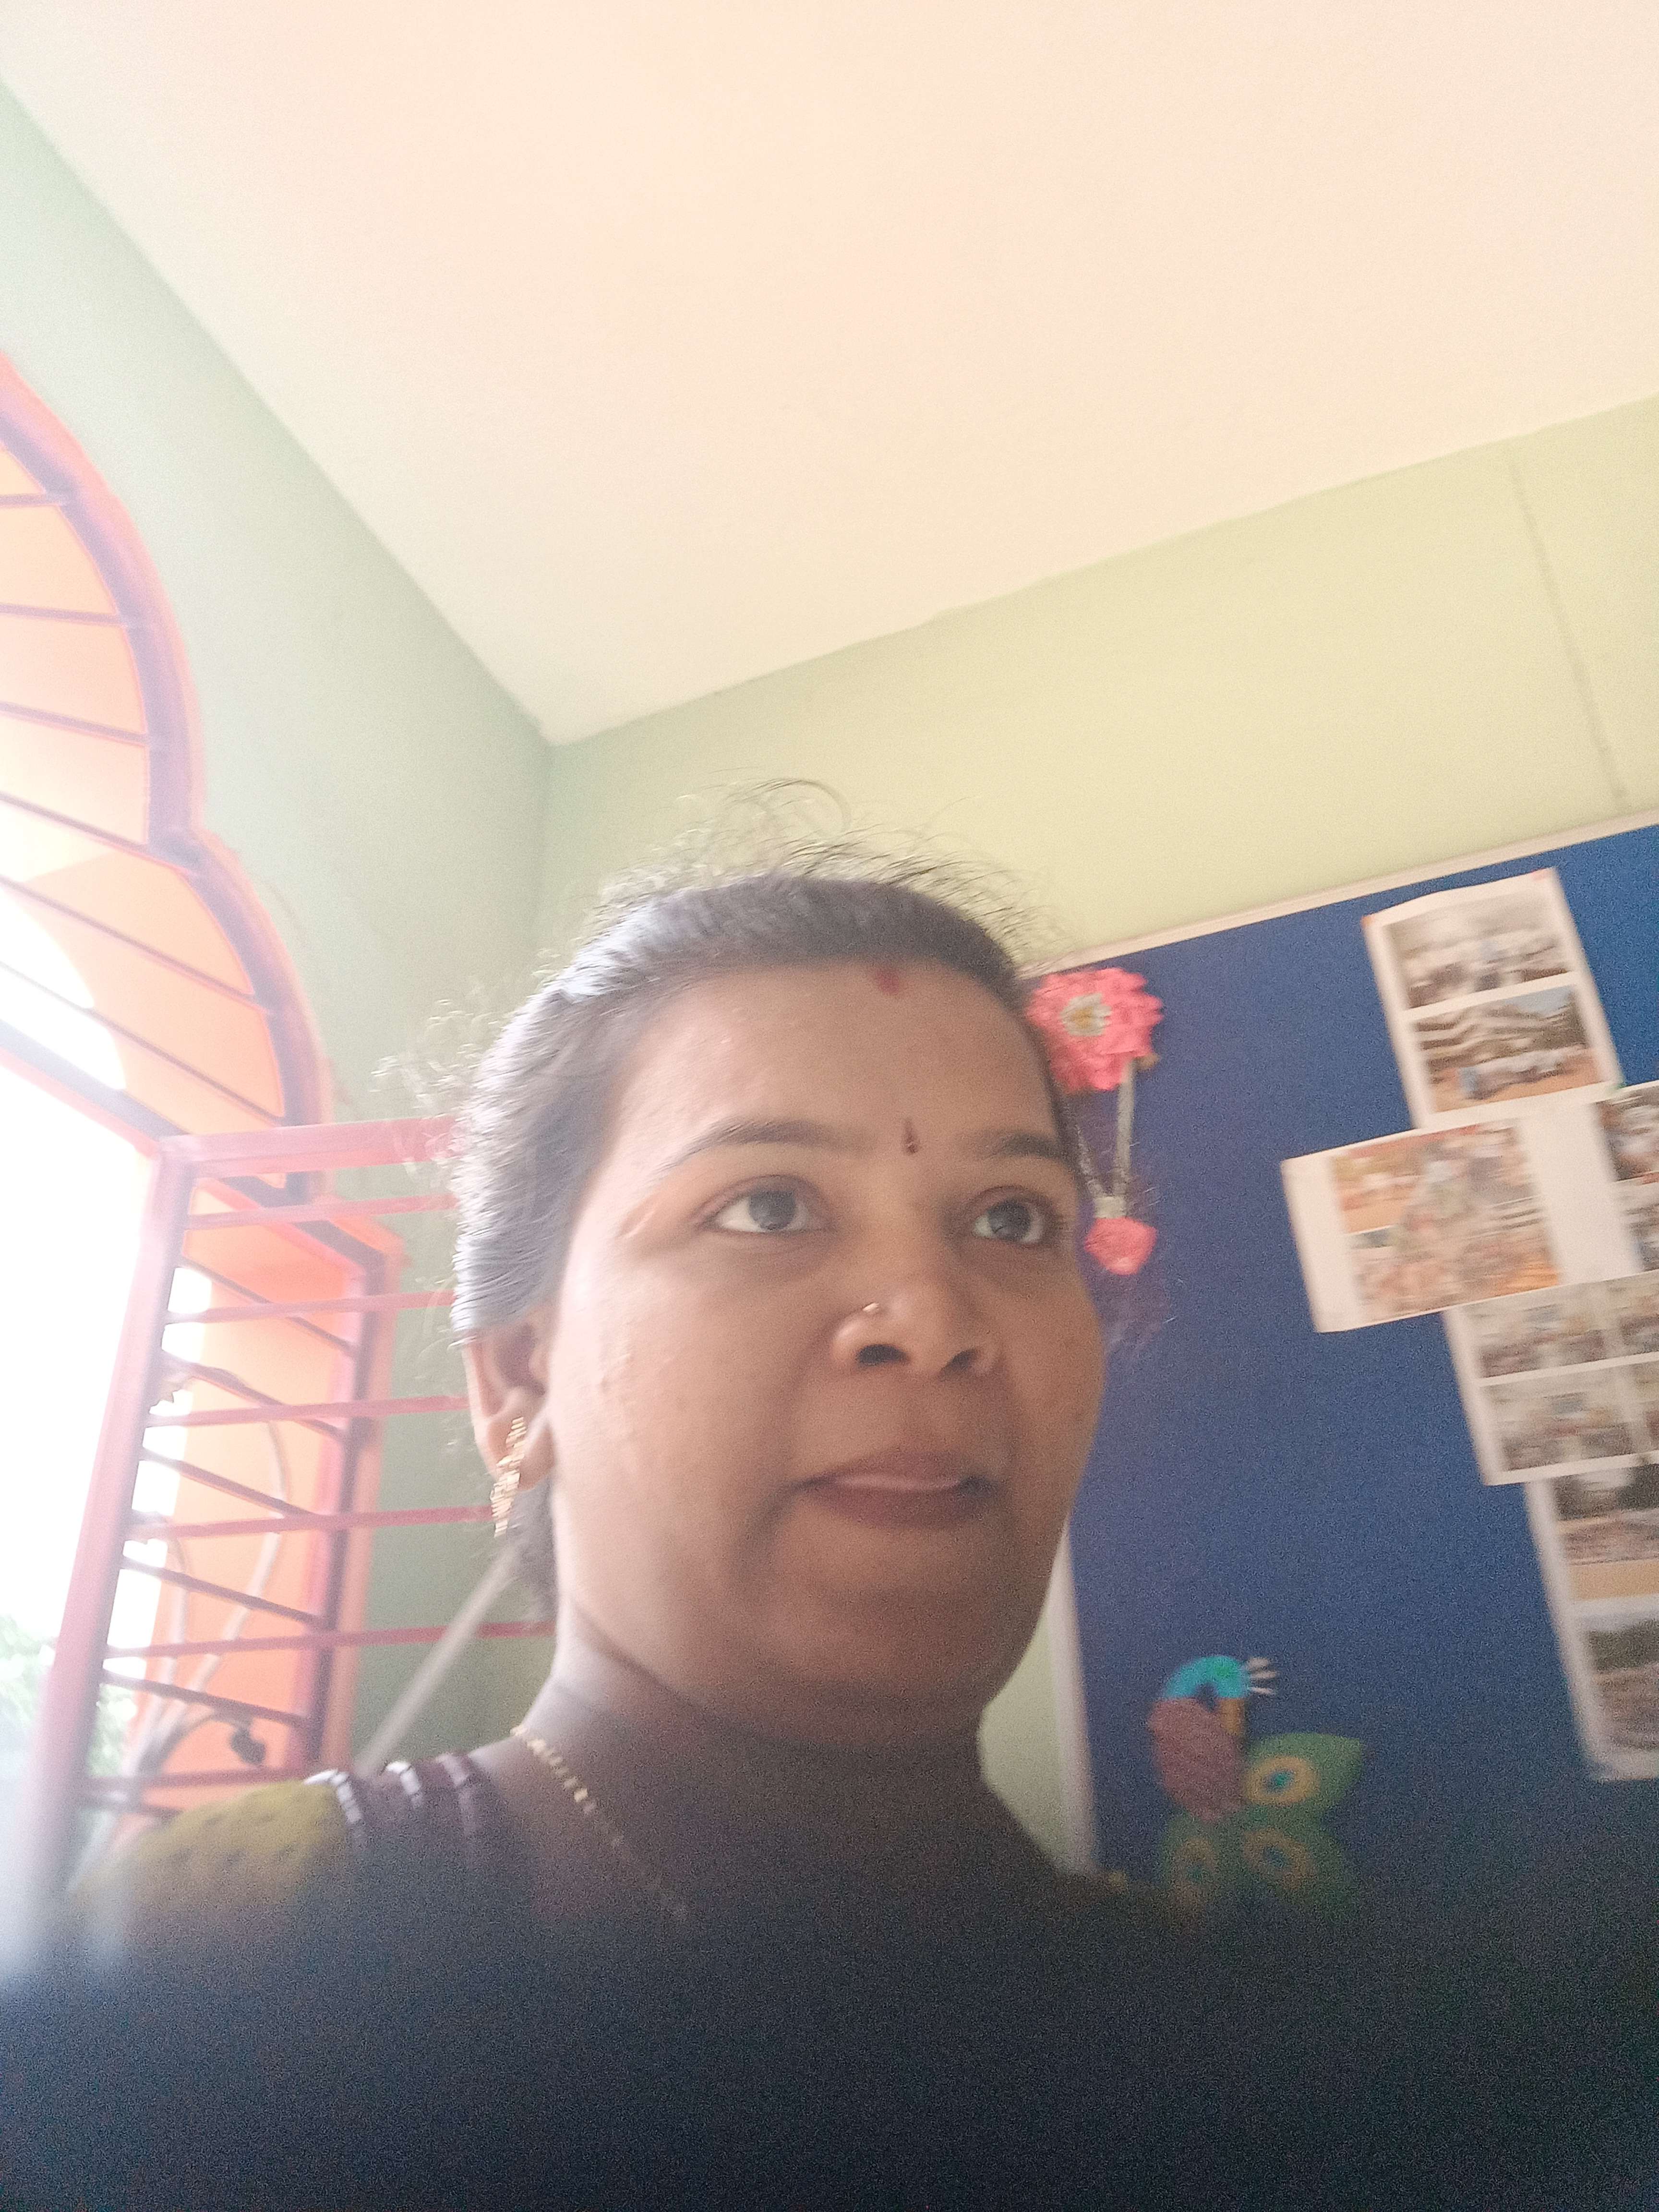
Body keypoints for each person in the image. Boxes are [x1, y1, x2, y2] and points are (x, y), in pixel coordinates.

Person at [6, 858, 1656, 2209]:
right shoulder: (240, 1955)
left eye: (1012, 1218)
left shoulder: (1275, 2051)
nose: (932, 1316)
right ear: (519, 1381)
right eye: (768, 1205)